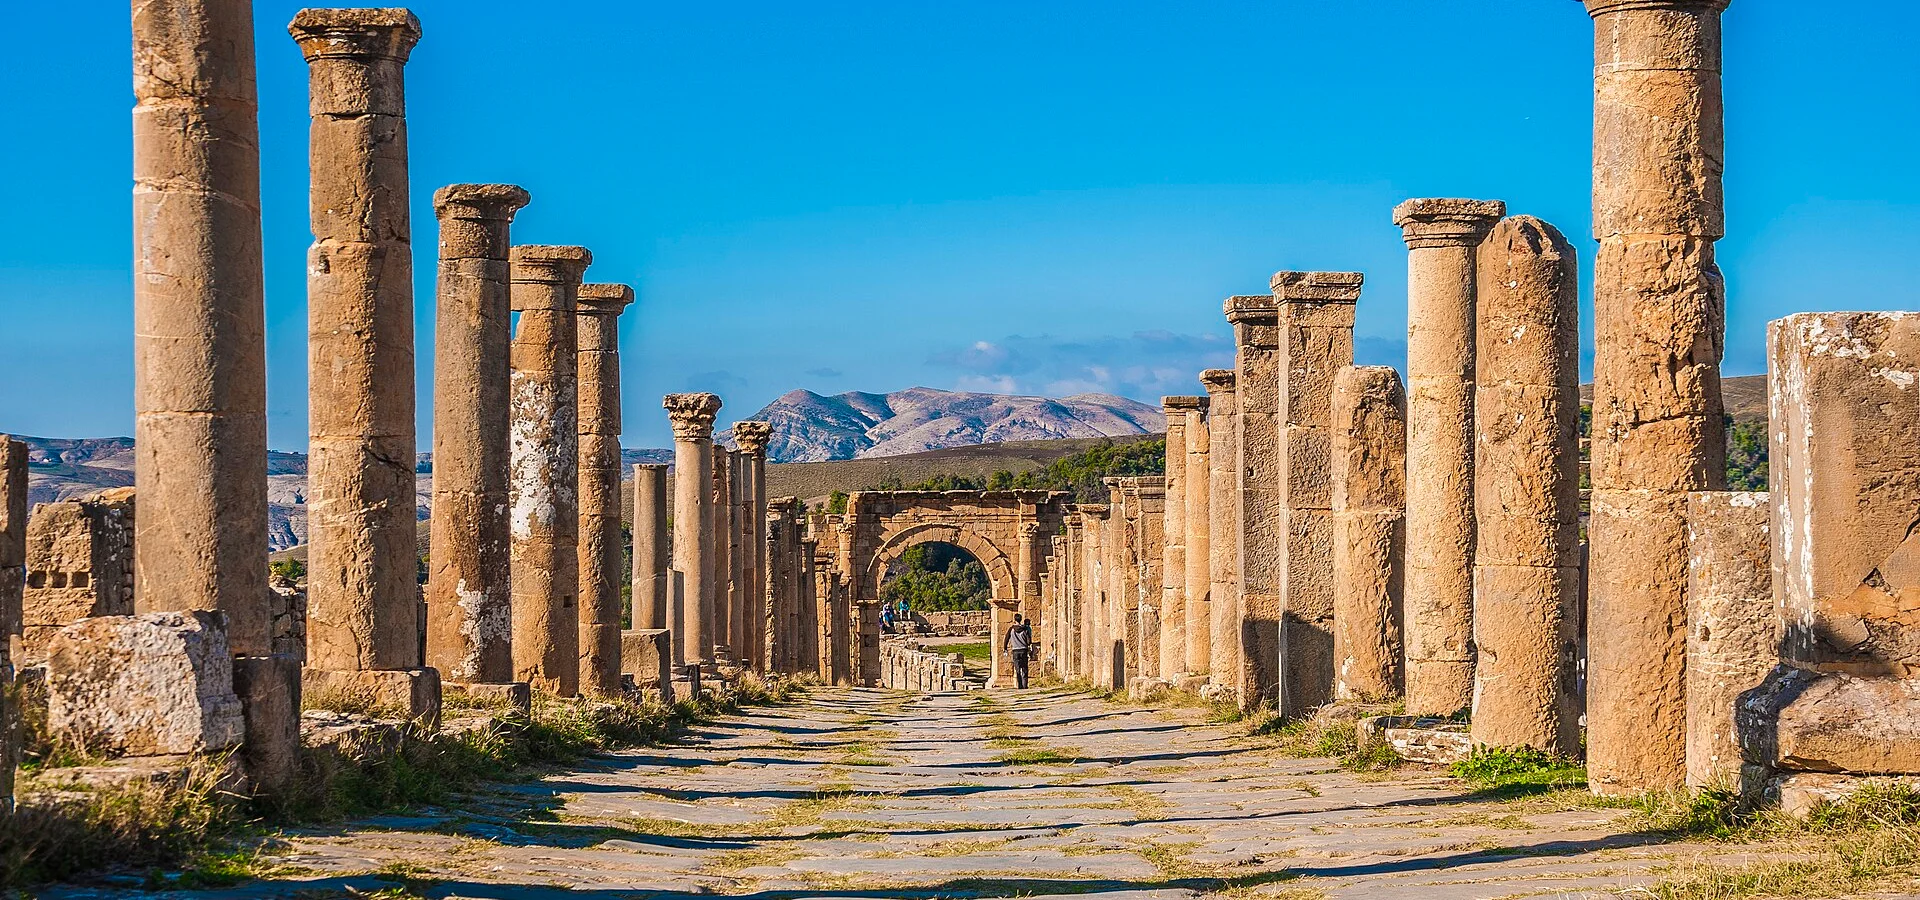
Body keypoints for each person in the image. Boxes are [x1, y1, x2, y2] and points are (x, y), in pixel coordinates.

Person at [1005, 613, 1034, 689]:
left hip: (1015, 651)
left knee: (1017, 669)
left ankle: (1020, 685)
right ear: (1021, 619)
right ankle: (1025, 685)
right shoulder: (1024, 629)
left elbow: (1006, 638)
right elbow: (1028, 641)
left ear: (1015, 619)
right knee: (1024, 668)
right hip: (1023, 650)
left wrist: (1005, 648)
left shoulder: (1011, 629)